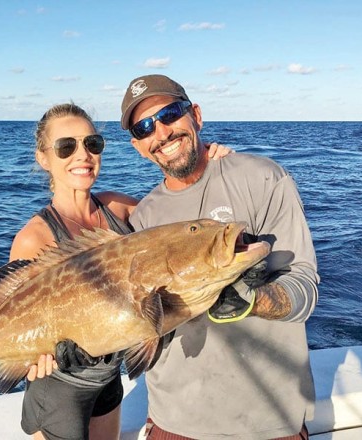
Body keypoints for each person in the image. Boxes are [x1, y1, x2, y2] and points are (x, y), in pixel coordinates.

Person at [9, 102, 231, 440]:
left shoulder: (119, 207)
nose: (82, 155)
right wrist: (32, 360)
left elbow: (177, 219)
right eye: (66, 146)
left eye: (92, 143)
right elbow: (14, 319)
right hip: (59, 391)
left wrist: (208, 162)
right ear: (43, 158)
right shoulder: (33, 238)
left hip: (109, 379)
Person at [120, 74, 319, 440]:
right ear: (138, 146)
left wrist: (252, 300)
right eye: (145, 126)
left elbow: (305, 284)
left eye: (170, 113)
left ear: (195, 114)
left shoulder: (261, 178)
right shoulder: (141, 219)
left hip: (270, 423)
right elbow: (137, 329)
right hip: (174, 423)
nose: (161, 131)